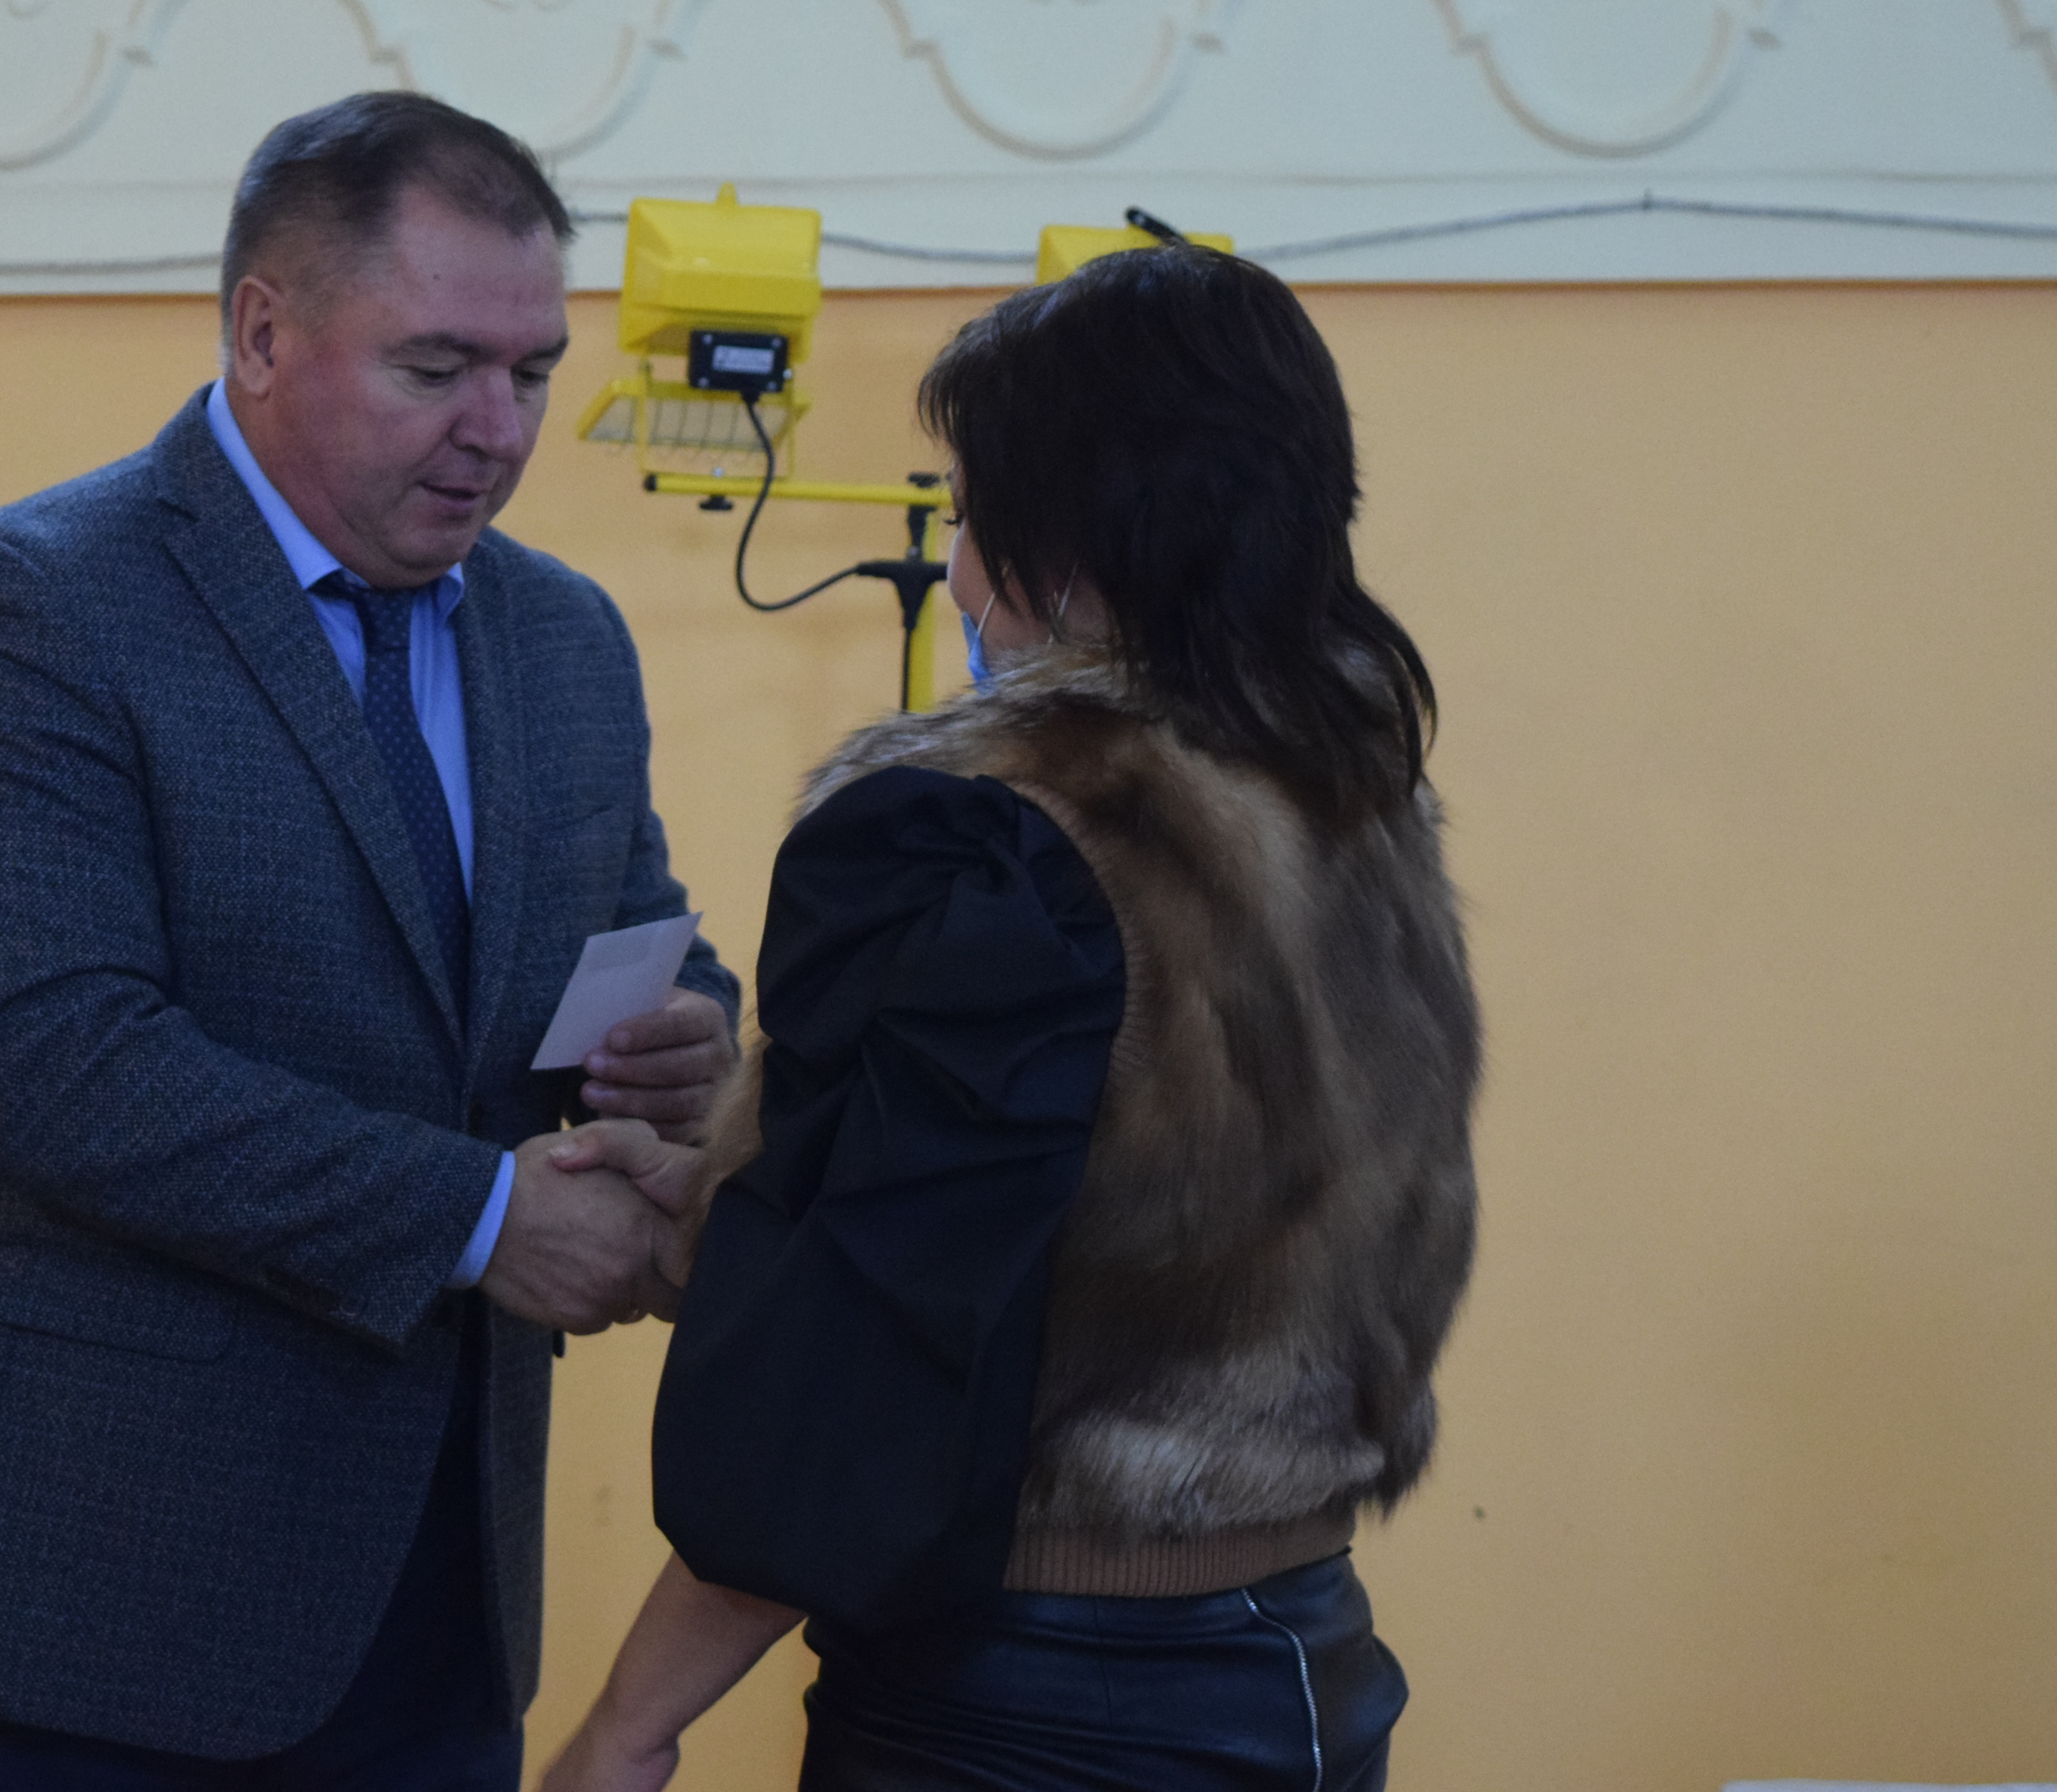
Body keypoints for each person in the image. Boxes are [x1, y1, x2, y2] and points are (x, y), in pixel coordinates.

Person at [0, 91, 740, 1792]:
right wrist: (482, 1219)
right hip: (83, 1613)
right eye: (435, 366)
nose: (496, 430)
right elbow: (57, 1064)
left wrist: (686, 1039)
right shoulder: (27, 604)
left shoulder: (564, 636)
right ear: (261, 332)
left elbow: (639, 935)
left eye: (533, 373)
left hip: (440, 1602)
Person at [541, 243, 1482, 1791]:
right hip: (1313, 1663)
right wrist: (732, 1209)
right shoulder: (1350, 790)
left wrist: (628, 1726)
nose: (964, 571)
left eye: (973, 513)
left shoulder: (992, 841)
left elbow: (869, 1361)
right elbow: (1107, 1228)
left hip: (1036, 1703)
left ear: (1072, 534)